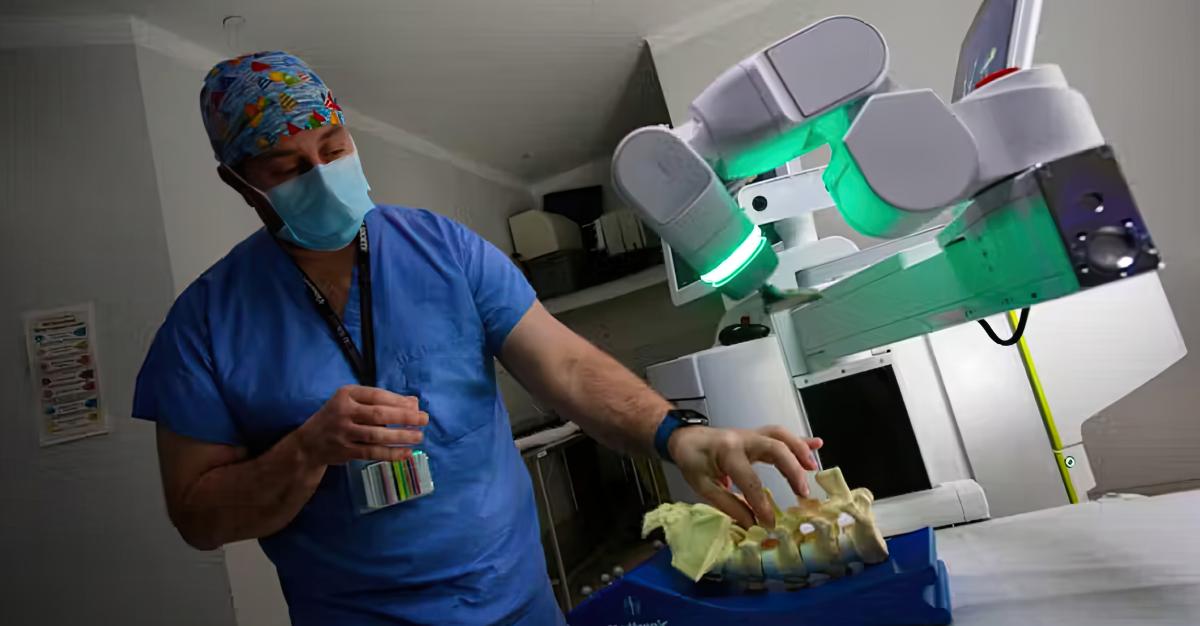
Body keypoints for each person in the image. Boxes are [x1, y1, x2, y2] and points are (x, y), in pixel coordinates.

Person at [133, 51, 823, 626]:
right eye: (287, 168)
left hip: (520, 606)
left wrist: (679, 435)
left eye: (334, 148)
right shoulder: (205, 327)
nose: (321, 174)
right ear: (239, 183)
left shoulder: (441, 248)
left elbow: (567, 367)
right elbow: (199, 517)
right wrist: (305, 451)